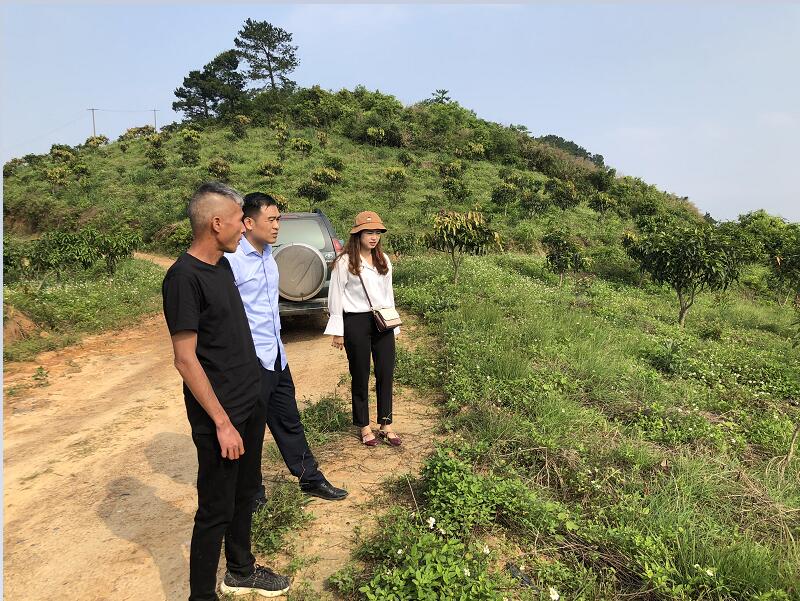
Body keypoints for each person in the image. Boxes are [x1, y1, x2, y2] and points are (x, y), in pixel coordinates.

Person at [162, 182, 289, 600]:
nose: (244, 227)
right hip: (222, 416)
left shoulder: (222, 267)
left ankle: (240, 570)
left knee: (245, 494)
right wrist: (221, 422)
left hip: (249, 403)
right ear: (217, 223)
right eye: (239, 220)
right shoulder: (183, 278)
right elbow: (185, 359)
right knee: (215, 509)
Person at [225, 191, 348, 503]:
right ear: (248, 222)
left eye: (278, 219)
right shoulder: (232, 261)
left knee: (289, 420)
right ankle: (253, 495)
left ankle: (310, 478)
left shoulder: (269, 254)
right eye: (271, 219)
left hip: (276, 355)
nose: (277, 225)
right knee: (251, 433)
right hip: (251, 361)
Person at [324, 211, 402, 447]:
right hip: (356, 321)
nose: (374, 237)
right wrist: (338, 330)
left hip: (382, 320)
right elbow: (336, 295)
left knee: (385, 372)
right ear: (357, 234)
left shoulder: (383, 260)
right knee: (360, 373)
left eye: (377, 232)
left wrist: (394, 326)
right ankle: (364, 425)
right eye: (369, 232)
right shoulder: (345, 262)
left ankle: (386, 424)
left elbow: (388, 294)